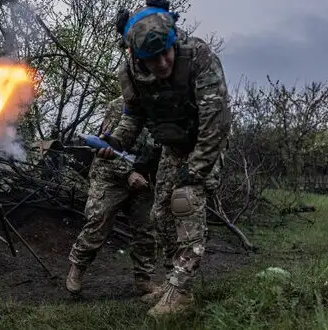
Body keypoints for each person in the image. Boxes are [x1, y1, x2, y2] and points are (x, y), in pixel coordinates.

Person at [95, 0, 231, 317]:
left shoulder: (197, 54)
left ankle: (180, 292)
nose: (162, 62)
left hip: (204, 143)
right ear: (136, 55)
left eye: (166, 52)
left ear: (173, 41)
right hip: (172, 148)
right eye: (151, 58)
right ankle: (174, 282)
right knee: (160, 215)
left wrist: (195, 171)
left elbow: (217, 121)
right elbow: (134, 115)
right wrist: (115, 141)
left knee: (184, 202)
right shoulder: (129, 72)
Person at [66, 96, 163, 302]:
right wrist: (128, 173)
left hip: (143, 177)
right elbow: (106, 146)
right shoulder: (120, 105)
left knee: (147, 228)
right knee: (98, 220)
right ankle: (78, 268)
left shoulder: (165, 106)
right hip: (110, 174)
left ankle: (143, 280)